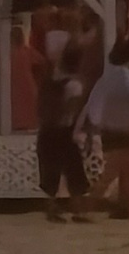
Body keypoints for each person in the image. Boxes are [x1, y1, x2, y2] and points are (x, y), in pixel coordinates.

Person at [86, 36, 129, 220]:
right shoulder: (125, 76)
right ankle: (87, 206)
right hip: (124, 131)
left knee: (127, 173)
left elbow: (95, 104)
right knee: (115, 172)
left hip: (110, 130)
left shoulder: (106, 78)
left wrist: (95, 125)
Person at [34, 42, 91, 225]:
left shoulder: (52, 80)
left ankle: (51, 208)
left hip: (46, 130)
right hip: (64, 131)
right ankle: (78, 210)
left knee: (51, 171)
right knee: (74, 170)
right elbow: (72, 111)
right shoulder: (75, 84)